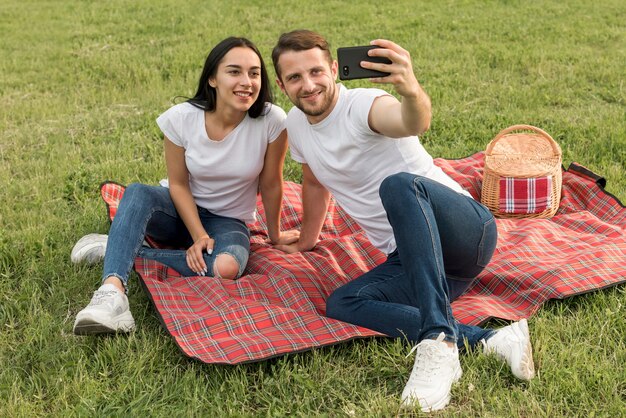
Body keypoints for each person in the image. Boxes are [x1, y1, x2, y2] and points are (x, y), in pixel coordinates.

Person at [270, 30, 535, 413]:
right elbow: (313, 182)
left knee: (397, 186)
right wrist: (308, 238)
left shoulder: (363, 105)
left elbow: (413, 122)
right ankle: (491, 340)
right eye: (295, 78)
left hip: (466, 235)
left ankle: (439, 342)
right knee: (344, 302)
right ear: (281, 84)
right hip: (413, 256)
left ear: (332, 69)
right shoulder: (296, 125)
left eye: (315, 71)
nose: (308, 85)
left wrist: (410, 90)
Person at [72, 37, 299, 335]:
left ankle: (114, 246)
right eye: (234, 72)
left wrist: (275, 234)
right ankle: (112, 294)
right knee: (138, 192)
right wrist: (198, 235)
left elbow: (271, 184)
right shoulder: (182, 118)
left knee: (226, 267)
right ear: (212, 79)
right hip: (176, 211)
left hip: (228, 221)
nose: (246, 82)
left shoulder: (272, 120)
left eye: (254, 73)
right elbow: (178, 184)